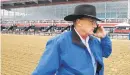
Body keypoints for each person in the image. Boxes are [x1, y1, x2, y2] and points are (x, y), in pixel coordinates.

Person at [32, 4, 112, 75]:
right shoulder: (60, 42)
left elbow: (106, 53)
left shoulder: (94, 41)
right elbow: (42, 72)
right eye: (92, 22)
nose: (95, 26)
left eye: (95, 22)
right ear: (79, 22)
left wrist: (104, 37)